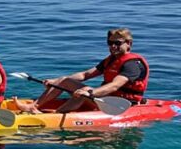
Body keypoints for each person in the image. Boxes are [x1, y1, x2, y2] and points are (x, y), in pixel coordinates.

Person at [15, 27, 149, 114]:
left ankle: (55, 115)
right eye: (110, 43)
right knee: (65, 80)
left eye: (118, 43)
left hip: (122, 104)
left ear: (129, 43)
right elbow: (85, 75)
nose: (113, 46)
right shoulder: (111, 60)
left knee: (84, 91)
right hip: (106, 98)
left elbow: (115, 85)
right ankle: (34, 106)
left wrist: (91, 93)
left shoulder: (132, 64)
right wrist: (54, 81)